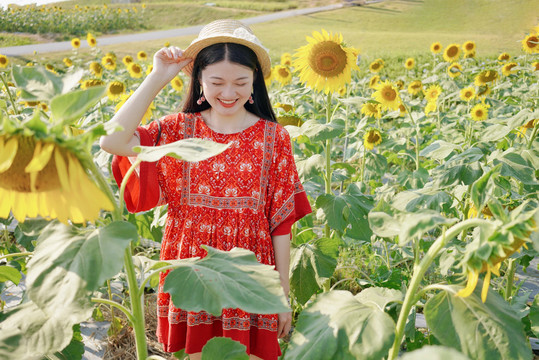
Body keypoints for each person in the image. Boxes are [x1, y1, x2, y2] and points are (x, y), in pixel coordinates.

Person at [99, 19, 312, 360]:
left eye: (241, 82)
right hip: (191, 272)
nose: (229, 93)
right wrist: (157, 77)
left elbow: (281, 223)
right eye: (217, 82)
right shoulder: (177, 129)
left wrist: (282, 295)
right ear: (199, 79)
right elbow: (111, 140)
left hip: (250, 277)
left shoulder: (274, 138)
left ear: (255, 80)